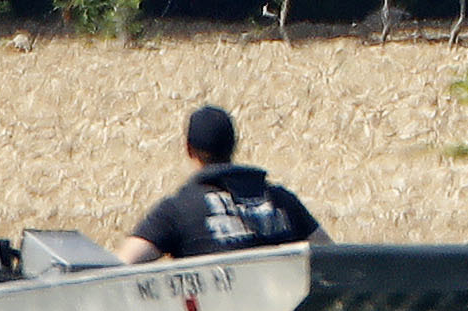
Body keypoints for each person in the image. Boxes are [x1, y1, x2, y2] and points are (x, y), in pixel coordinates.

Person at [115, 105, 325, 262]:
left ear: (188, 149)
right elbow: (335, 257)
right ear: (234, 145)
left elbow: (122, 266)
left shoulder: (177, 210)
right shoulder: (282, 200)